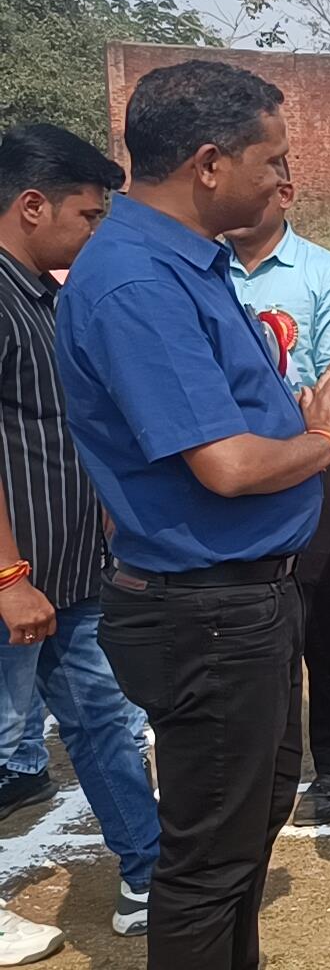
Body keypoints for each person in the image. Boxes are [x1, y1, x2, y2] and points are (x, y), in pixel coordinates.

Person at [54, 61, 330, 970]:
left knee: (246, 828)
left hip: (241, 599)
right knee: (208, 863)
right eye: (270, 159)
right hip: (206, 609)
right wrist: (327, 436)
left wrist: (302, 414)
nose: (281, 180)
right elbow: (229, 466)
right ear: (209, 163)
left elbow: (223, 423)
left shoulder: (182, 262)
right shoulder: (138, 280)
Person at [0, 124, 160, 957]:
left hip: (68, 574)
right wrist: (7, 574)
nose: (96, 231)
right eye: (88, 215)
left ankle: (149, 874)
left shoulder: (43, 296)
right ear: (33, 206)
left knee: (104, 723)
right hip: (15, 582)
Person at [224, 166, 330, 827]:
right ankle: (267, 766)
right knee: (253, 621)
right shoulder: (205, 272)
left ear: (285, 195)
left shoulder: (325, 275)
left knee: (325, 617)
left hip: (315, 467)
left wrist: (307, 425)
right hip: (231, 466)